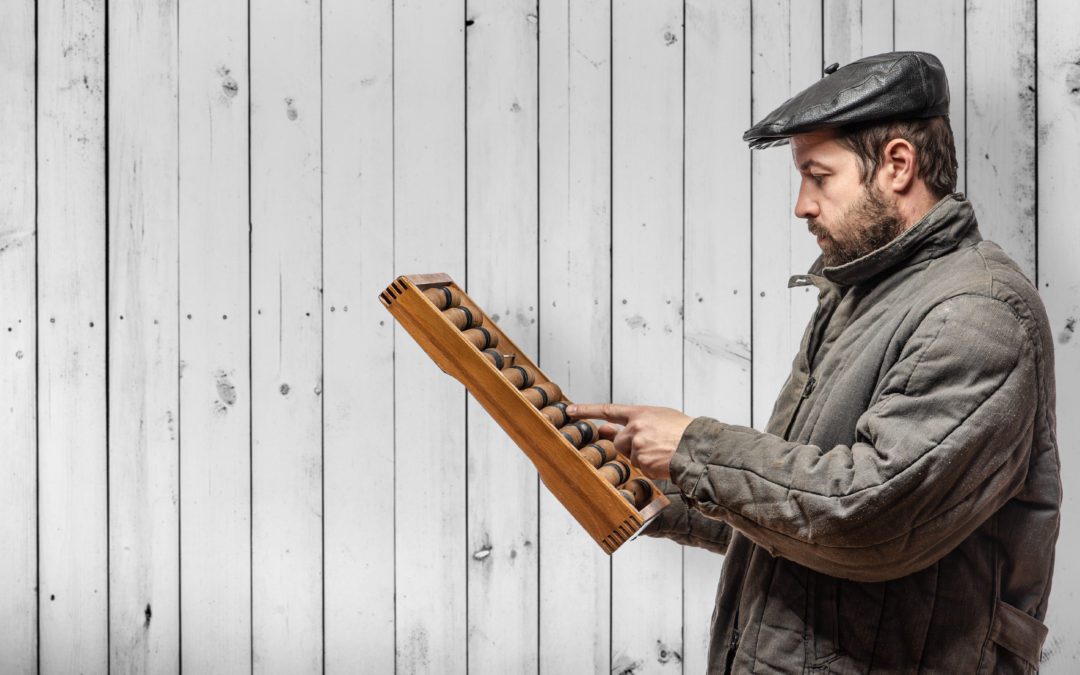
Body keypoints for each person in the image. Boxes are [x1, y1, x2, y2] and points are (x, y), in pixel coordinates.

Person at [568, 52, 1060, 673]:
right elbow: (799, 508)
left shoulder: (976, 313)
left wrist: (693, 448)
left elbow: (867, 513)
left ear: (897, 165)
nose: (802, 205)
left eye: (818, 176)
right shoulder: (864, 294)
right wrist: (651, 489)